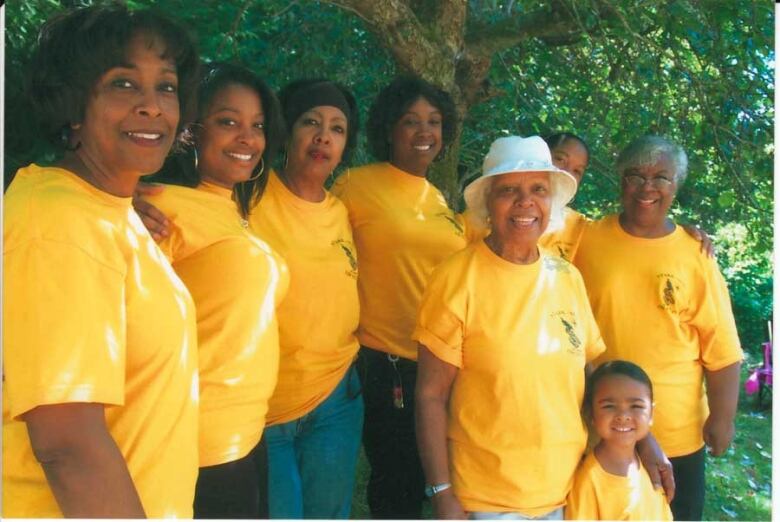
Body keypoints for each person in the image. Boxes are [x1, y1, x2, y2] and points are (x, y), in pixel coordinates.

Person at [3, 5, 200, 517]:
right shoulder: (60, 222)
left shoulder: (107, 211)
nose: (154, 106)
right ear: (72, 103)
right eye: (123, 84)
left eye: (167, 87)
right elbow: (67, 445)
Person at [414, 135, 606, 519]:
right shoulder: (456, 278)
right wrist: (442, 492)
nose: (525, 202)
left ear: (551, 202)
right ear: (488, 202)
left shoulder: (567, 276)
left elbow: (595, 373)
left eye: (538, 189)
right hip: (487, 500)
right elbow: (430, 396)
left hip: (567, 492)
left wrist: (643, 439)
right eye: (508, 191)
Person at [143, 62, 289, 518]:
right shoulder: (157, 207)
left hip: (246, 434)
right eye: (229, 122)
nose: (247, 138)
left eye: (257, 126)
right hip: (197, 446)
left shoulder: (231, 210)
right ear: (190, 131)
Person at [574, 135, 743, 521]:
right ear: (621, 182)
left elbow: (721, 346)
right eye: (636, 175)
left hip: (677, 433)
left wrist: (722, 417)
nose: (647, 187)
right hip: (601, 425)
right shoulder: (584, 237)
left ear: (676, 185)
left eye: (661, 178)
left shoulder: (694, 253)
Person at [331, 76, 465, 518]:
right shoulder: (356, 185)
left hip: (443, 364)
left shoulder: (440, 199)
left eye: (434, 121)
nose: (425, 132)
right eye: (411, 121)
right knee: (398, 489)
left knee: (445, 482)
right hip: (387, 364)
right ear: (389, 128)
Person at [252, 78, 363, 519]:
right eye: (311, 122)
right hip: (266, 406)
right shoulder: (247, 196)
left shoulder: (342, 211)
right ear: (286, 132)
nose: (323, 137)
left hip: (337, 398)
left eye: (337, 129)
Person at [566, 361, 673, 521]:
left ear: (651, 414)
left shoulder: (648, 467)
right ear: (591, 414)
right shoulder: (589, 480)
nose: (623, 415)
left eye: (636, 406)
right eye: (609, 406)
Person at [540, 132, 591, 261]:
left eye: (577, 171)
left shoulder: (579, 227)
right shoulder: (499, 209)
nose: (566, 173)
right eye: (560, 159)